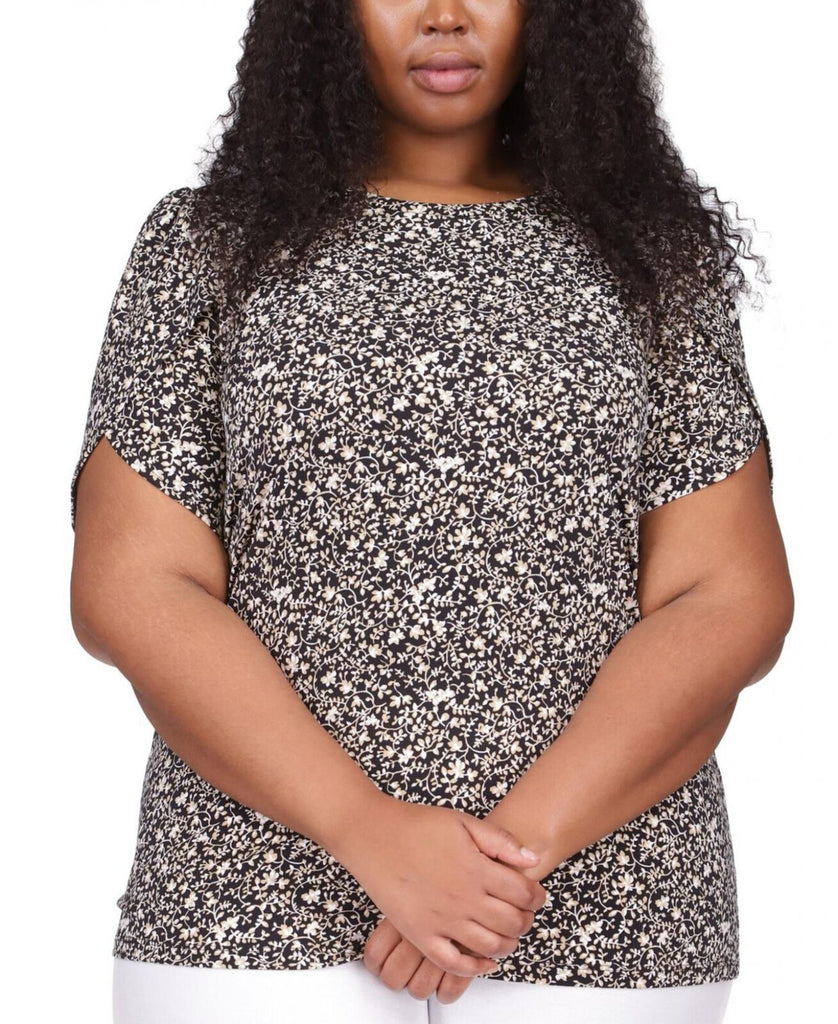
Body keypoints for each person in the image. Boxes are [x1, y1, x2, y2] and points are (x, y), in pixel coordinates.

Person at [69, 1, 794, 1022]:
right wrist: (365, 829)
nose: (446, 15)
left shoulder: (652, 256)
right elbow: (132, 585)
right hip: (249, 910)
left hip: (611, 919)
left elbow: (728, 599)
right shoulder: (206, 247)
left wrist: (496, 869)